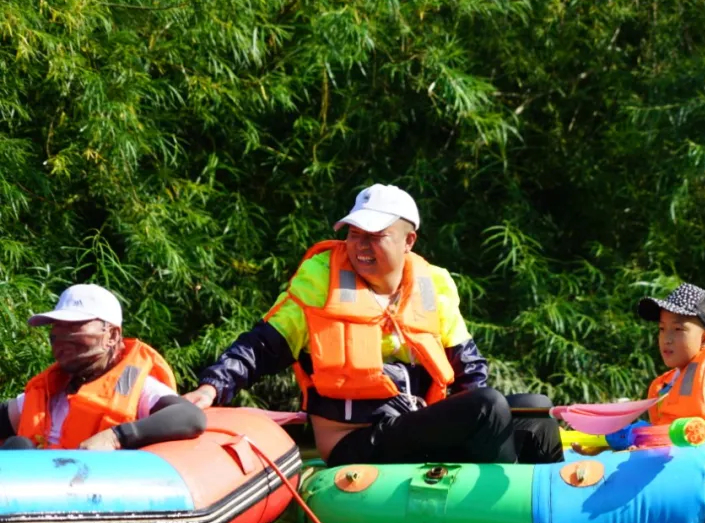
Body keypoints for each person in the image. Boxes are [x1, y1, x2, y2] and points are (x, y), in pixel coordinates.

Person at [184, 184, 561, 466]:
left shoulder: (433, 285)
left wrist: (482, 424)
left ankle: (544, 509)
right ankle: (498, 509)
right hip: (354, 440)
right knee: (488, 406)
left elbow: (469, 371)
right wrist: (210, 389)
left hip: (414, 424)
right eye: (354, 234)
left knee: (534, 410)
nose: (360, 247)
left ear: (408, 241)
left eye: (375, 237)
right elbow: (261, 347)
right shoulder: (320, 283)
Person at [574, 283, 705, 455]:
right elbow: (660, 434)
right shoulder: (669, 382)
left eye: (678, 329)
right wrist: (601, 448)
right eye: (662, 329)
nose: (667, 338)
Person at [0, 284, 207, 450]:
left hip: (92, 496)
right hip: (36, 495)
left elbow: (191, 417)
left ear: (112, 335)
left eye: (74, 326)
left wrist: (116, 436)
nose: (61, 336)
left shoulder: (133, 386)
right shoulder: (50, 391)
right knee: (18, 447)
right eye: (57, 327)